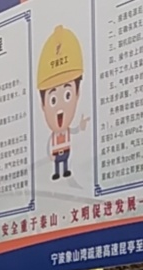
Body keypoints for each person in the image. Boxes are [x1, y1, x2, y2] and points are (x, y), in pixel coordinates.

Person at [36, 26, 89, 181]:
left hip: (65, 150)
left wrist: (81, 126)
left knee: (64, 162)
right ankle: (57, 171)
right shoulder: (53, 135)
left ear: (77, 94)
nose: (59, 107)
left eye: (67, 95)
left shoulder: (66, 132)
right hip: (56, 152)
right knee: (58, 163)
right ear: (43, 105)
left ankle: (64, 170)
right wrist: (50, 155)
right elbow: (49, 144)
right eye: (53, 100)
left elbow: (74, 131)